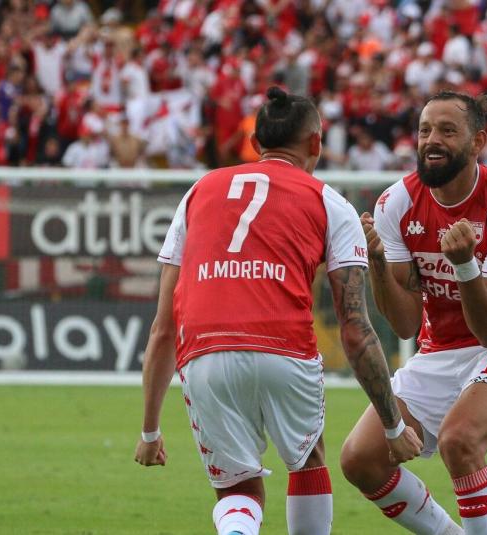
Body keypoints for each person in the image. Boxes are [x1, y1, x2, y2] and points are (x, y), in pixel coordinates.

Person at [134, 87, 422, 535]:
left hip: (205, 351)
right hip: (285, 349)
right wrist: (392, 426)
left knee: (237, 490)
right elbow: (355, 328)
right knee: (308, 460)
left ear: (255, 144)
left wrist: (150, 432)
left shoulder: (198, 192)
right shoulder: (331, 202)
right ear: (316, 143)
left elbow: (162, 327)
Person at [342, 91, 487, 535]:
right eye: (424, 130)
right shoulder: (395, 203)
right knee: (361, 459)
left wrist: (464, 266)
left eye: (447, 130)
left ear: (478, 142)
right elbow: (404, 324)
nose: (431, 140)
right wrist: (378, 262)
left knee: (460, 440)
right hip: (440, 347)